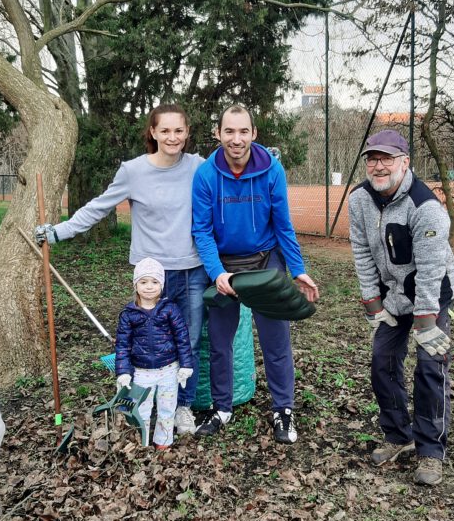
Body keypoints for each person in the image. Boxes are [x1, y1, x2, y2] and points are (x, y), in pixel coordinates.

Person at [36, 104, 208, 435]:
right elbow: (98, 207)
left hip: (191, 270)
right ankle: (146, 402)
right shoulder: (133, 171)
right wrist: (59, 231)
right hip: (151, 276)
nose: (172, 137)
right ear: (153, 133)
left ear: (187, 133)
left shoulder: (199, 168)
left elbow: (232, 179)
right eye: (165, 130)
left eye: (179, 131)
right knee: (147, 340)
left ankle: (182, 406)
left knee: (188, 340)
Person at [190, 104, 319, 444]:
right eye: (229, 131)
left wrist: (298, 270)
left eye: (243, 131)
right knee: (220, 341)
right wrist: (216, 272)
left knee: (276, 340)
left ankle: (283, 410)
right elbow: (201, 231)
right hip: (225, 266)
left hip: (265, 261)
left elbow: (283, 224)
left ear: (254, 133)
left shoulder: (271, 170)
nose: (236, 139)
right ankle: (221, 408)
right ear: (218, 133)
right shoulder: (205, 174)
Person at [347, 129, 454, 486]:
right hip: (393, 294)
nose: (378, 166)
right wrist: (373, 303)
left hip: (431, 293)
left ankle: (430, 450)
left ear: (404, 162)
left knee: (430, 366)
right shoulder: (359, 200)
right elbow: (362, 252)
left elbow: (430, 269)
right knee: (382, 361)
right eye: (372, 159)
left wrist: (426, 322)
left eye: (387, 159)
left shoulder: (427, 208)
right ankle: (399, 435)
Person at [113, 258, 194, 449]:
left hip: (169, 369)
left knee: (167, 408)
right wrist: (123, 372)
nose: (149, 287)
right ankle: (142, 443)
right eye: (143, 282)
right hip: (141, 372)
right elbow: (122, 345)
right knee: (141, 409)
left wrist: (186, 365)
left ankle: (163, 442)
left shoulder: (170, 309)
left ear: (162, 285)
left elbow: (182, 338)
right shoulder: (128, 314)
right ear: (136, 285)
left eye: (154, 282)